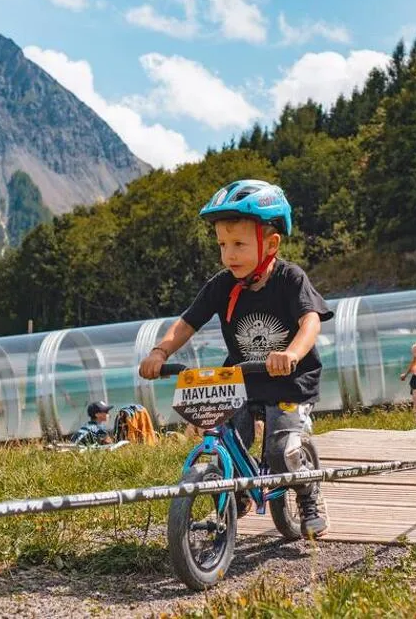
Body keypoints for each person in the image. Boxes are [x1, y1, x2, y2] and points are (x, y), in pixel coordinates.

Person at [138, 179, 332, 538]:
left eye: (239, 244)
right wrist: (160, 350)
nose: (229, 254)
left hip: (290, 380)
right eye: (222, 244)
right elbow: (187, 322)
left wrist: (291, 353)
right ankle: (237, 492)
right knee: (229, 434)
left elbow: (310, 322)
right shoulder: (222, 284)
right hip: (242, 378)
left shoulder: (291, 279)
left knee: (280, 450)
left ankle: (308, 496)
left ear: (271, 244)